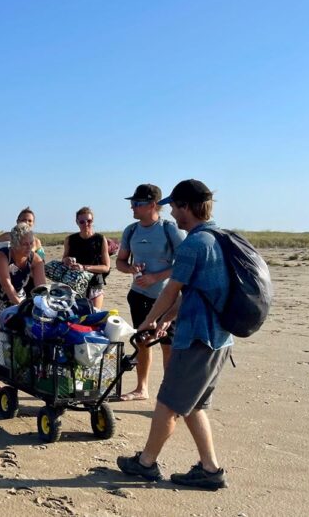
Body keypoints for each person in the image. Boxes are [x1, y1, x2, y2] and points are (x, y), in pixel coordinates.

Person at [117, 179, 232, 490]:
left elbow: (171, 291)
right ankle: (210, 469)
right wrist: (166, 319)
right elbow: (193, 293)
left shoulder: (195, 243)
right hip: (219, 337)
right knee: (195, 405)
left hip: (198, 337)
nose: (172, 212)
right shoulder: (219, 236)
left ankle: (145, 463)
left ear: (186, 207)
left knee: (168, 401)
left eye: (174, 206)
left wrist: (147, 322)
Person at [115, 184, 187, 401]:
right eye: (132, 203)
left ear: (153, 205)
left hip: (167, 298)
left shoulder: (169, 229)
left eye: (137, 204)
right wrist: (131, 269)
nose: (132, 208)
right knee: (142, 340)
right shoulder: (131, 230)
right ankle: (141, 388)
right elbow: (120, 262)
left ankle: (171, 395)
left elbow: (184, 264)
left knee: (168, 345)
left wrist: (156, 277)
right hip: (138, 295)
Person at [0, 223, 47, 391]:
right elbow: (7, 287)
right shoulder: (2, 256)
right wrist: (23, 307)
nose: (29, 247)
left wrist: (40, 307)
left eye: (31, 243)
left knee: (19, 335)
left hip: (17, 296)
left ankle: (17, 374)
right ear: (15, 244)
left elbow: (41, 290)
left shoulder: (35, 260)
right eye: (24, 244)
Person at [61, 207, 111, 309]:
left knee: (94, 315)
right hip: (74, 284)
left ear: (92, 221)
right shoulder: (70, 239)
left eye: (89, 221)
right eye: (82, 222)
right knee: (76, 318)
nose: (86, 224)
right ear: (77, 222)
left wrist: (84, 267)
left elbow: (106, 267)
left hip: (95, 284)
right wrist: (67, 260)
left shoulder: (100, 239)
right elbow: (64, 260)